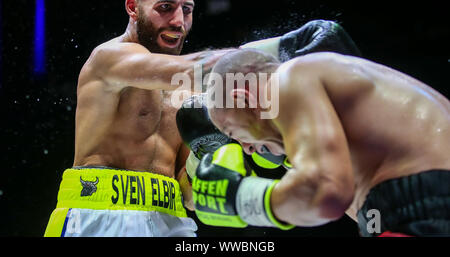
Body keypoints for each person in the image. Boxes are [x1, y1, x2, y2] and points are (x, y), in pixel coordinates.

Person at [44, 0, 228, 237]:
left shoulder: (192, 92)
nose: (178, 21)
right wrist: (276, 56)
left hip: (172, 221)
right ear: (133, 7)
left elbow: (189, 197)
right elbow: (181, 70)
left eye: (186, 9)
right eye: (165, 8)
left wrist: (203, 162)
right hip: (99, 214)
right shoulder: (110, 58)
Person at [183, 49, 450, 236]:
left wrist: (241, 198)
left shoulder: (288, 78)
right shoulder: (358, 128)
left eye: (232, 132)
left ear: (244, 99)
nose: (248, 149)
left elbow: (324, 195)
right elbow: (347, 209)